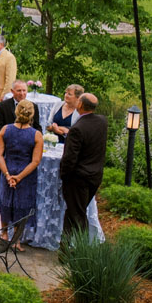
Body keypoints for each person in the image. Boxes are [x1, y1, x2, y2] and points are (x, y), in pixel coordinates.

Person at [59, 93, 108, 235]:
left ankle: (83, 250)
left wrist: (64, 176)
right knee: (73, 212)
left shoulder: (77, 129)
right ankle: (65, 250)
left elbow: (69, 158)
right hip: (95, 175)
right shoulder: (102, 122)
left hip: (78, 179)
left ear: (80, 105)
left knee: (77, 216)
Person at [0, 99, 42, 247]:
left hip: (7, 170)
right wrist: (19, 177)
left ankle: (3, 233)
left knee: (5, 201)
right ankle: (16, 239)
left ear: (16, 112)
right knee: (22, 204)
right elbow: (35, 161)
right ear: (32, 114)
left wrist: (8, 175)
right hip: (26, 175)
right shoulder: (36, 135)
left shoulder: (5, 130)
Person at [0, 35, 17, 101]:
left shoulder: (9, 57)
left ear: (1, 44)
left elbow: (10, 80)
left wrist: (3, 98)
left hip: (0, 97)